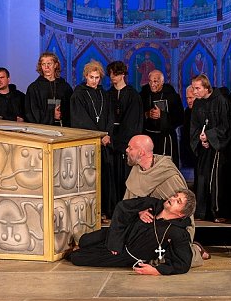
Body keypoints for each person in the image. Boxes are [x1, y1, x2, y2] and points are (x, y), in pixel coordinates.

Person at [67, 190, 196, 276]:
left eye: (178, 201)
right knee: (85, 240)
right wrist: (138, 212)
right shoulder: (153, 204)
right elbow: (122, 207)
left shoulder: (178, 232)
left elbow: (183, 264)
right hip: (120, 235)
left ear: (181, 213)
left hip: (126, 254)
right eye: (175, 196)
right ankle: (86, 244)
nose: (172, 199)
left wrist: (157, 271)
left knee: (76, 258)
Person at [124, 134, 208, 263]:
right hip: (145, 226)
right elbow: (127, 205)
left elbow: (184, 210)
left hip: (169, 227)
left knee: (169, 260)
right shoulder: (137, 170)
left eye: (130, 148)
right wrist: (139, 211)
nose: (126, 150)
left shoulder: (168, 175)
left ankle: (195, 251)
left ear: (141, 152)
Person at [70, 60, 113, 217]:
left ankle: (104, 211)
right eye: (91, 77)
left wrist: (107, 133)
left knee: (104, 177)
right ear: (85, 76)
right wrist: (98, 135)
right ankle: (89, 212)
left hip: (104, 143)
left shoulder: (104, 94)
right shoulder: (79, 94)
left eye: (97, 77)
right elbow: (80, 119)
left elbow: (110, 116)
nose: (94, 81)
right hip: (88, 144)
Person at [189, 74, 231, 222]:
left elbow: (226, 125)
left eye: (197, 88)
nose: (194, 92)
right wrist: (201, 140)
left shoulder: (221, 100)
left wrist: (209, 136)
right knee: (201, 178)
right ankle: (201, 212)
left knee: (215, 180)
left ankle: (217, 212)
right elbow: (194, 125)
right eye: (194, 88)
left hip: (217, 148)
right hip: (203, 148)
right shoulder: (198, 103)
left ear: (207, 87)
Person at [105, 60, 143, 217]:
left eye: (116, 73)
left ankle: (127, 209)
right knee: (110, 177)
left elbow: (133, 121)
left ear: (123, 74)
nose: (113, 77)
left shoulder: (133, 95)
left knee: (126, 177)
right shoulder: (107, 95)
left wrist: (121, 142)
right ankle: (112, 208)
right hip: (109, 141)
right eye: (111, 74)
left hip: (126, 143)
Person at [140, 69, 184, 167]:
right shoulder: (144, 94)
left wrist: (162, 115)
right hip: (149, 136)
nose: (152, 84)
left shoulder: (172, 96)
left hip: (166, 138)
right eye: (150, 81)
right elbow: (137, 114)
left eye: (155, 81)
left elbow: (180, 118)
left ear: (162, 82)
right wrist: (147, 114)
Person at [25, 52, 73, 126]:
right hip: (42, 130)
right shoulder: (34, 88)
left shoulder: (65, 87)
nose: (46, 67)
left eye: (49, 64)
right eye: (43, 64)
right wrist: (51, 115)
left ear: (55, 65)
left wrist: (62, 114)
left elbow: (71, 110)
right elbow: (31, 112)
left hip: (63, 128)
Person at [180, 84, 197, 174]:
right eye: (187, 98)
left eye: (191, 98)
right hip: (188, 151)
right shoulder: (187, 111)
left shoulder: (202, 110)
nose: (188, 101)